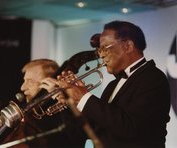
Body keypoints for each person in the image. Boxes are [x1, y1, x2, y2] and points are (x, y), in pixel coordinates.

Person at [41, 20, 171, 148]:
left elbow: (130, 128)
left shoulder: (153, 78)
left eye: (104, 48)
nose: (101, 55)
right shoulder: (112, 85)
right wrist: (71, 103)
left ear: (128, 46)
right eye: (99, 50)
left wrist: (83, 97)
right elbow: (90, 131)